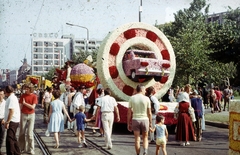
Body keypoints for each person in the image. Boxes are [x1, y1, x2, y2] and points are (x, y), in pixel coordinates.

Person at [127, 84, 152, 155]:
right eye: (144, 90)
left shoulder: (132, 98)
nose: (145, 91)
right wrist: (150, 122)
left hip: (135, 119)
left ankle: (138, 153)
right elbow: (149, 113)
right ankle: (145, 150)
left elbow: (129, 112)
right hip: (145, 119)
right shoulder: (147, 99)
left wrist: (128, 123)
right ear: (141, 89)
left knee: (137, 139)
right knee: (145, 137)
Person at [18, 83, 38, 154]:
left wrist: (25, 103)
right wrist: (18, 116)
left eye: (27, 89)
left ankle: (31, 149)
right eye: (25, 88)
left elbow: (33, 107)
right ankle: (21, 148)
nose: (25, 90)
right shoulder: (22, 96)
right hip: (23, 114)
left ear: (31, 89)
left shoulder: (34, 96)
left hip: (31, 115)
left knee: (30, 133)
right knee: (22, 132)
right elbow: (20, 107)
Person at [4, 86, 21, 155]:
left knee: (9, 138)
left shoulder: (11, 98)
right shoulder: (12, 97)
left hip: (13, 120)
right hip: (14, 120)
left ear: (7, 91)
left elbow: (11, 111)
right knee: (13, 138)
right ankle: (17, 152)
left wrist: (7, 121)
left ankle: (11, 153)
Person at [0, 89, 6, 155]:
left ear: (4, 95)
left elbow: (6, 112)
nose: (0, 96)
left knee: (1, 136)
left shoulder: (5, 103)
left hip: (2, 120)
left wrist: (5, 119)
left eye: (1, 94)